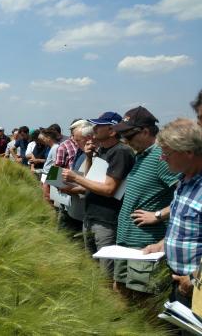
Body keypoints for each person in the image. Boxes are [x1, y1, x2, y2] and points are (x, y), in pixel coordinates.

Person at [110, 107, 179, 296]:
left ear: (145, 131)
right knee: (121, 291)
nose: (125, 141)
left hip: (147, 246)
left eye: (129, 136)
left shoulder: (161, 158)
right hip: (126, 243)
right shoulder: (141, 156)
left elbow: (190, 197)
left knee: (143, 300)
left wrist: (158, 215)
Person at [62, 112, 135, 277]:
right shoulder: (102, 150)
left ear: (112, 131)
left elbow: (109, 190)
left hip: (106, 220)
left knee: (105, 274)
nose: (94, 128)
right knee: (93, 270)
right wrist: (88, 158)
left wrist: (74, 178)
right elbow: (90, 180)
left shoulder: (120, 152)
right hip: (91, 217)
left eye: (99, 125)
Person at [143, 118, 202, 307]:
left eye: (167, 153)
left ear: (189, 152)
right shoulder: (184, 180)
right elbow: (183, 224)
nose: (162, 158)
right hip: (180, 283)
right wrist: (162, 244)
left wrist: (194, 279)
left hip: (196, 288)